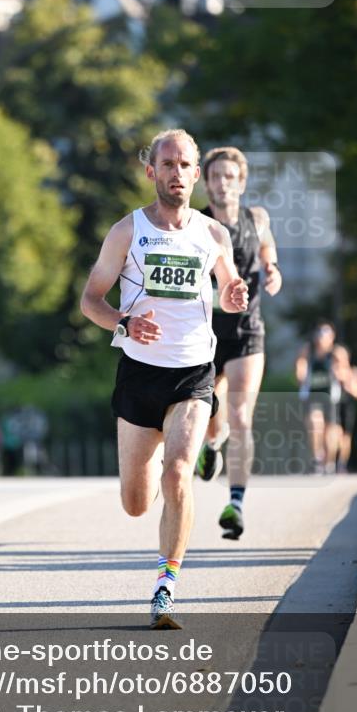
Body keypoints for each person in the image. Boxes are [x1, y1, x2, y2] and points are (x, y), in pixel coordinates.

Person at [80, 129, 248, 628]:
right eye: (167, 164)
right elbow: (91, 300)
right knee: (136, 503)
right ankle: (152, 479)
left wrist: (232, 296)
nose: (177, 173)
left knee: (179, 472)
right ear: (152, 171)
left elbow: (226, 289)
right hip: (139, 375)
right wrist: (125, 323)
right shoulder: (126, 232)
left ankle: (164, 588)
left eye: (185, 165)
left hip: (194, 372)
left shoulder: (212, 234)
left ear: (197, 175)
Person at [194, 147, 282, 541]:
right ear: (206, 181)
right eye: (216, 176)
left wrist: (272, 269)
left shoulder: (257, 218)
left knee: (242, 416)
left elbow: (268, 249)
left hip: (248, 331)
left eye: (230, 176)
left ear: (241, 182)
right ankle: (213, 441)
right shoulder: (195, 224)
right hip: (205, 335)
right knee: (211, 413)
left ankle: (236, 504)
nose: (223, 182)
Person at [295, 321, 348, 474]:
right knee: (314, 423)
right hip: (312, 394)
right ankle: (317, 457)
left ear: (332, 337)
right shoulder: (308, 350)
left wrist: (338, 372)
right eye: (319, 334)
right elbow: (300, 365)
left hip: (330, 395)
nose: (321, 338)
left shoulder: (337, 353)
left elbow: (345, 373)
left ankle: (329, 461)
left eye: (325, 334)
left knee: (330, 431)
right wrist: (301, 372)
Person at [333, 348, 357, 472]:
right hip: (333, 405)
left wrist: (348, 384)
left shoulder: (353, 372)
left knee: (346, 437)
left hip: (347, 406)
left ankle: (342, 462)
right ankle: (330, 461)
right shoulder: (330, 369)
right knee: (335, 433)